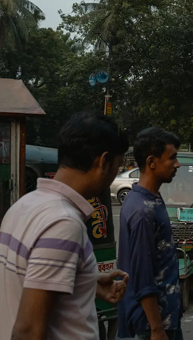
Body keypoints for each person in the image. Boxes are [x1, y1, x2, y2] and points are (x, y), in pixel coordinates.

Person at [0, 112, 130, 340]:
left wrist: (86, 282)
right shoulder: (64, 223)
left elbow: (24, 282)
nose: (114, 175)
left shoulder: (24, 205)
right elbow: (29, 331)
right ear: (103, 161)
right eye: (118, 166)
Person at [117, 128, 183, 340]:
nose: (177, 164)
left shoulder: (148, 198)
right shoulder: (142, 210)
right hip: (152, 324)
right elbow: (142, 274)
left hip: (165, 319)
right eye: (172, 158)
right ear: (151, 162)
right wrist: (156, 328)